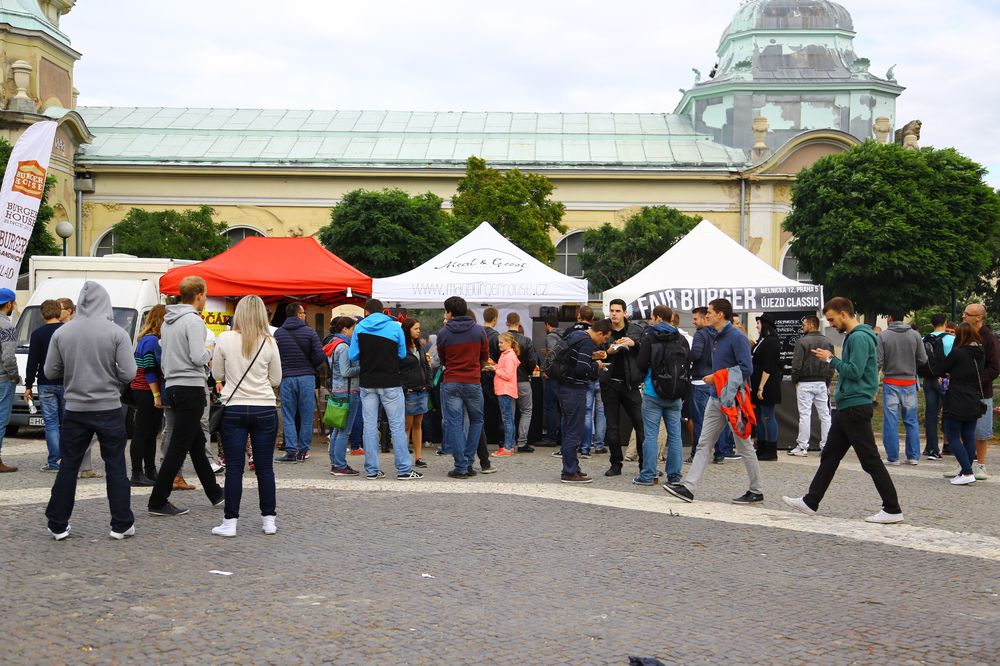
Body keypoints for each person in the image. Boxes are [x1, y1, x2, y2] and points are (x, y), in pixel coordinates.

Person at [782, 297, 904, 524]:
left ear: (844, 313)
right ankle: (811, 501)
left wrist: (831, 360)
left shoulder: (858, 338)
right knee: (830, 455)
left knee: (870, 460)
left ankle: (892, 508)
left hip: (855, 405)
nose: (830, 325)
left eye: (831, 319)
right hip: (849, 404)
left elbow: (855, 371)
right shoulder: (858, 336)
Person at [43, 281, 138, 540]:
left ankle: (57, 523)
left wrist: (72, 373)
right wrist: (112, 376)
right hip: (108, 407)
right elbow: (129, 373)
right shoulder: (116, 332)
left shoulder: (62, 333)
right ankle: (121, 524)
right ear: (105, 302)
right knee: (116, 465)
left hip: (75, 408)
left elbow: (50, 371)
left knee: (69, 466)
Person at [663, 298, 763, 505]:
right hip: (716, 398)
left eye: (709, 312)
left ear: (720, 314)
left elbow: (747, 369)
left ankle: (756, 490)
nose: (706, 315)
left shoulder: (736, 337)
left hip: (733, 400)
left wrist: (716, 376)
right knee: (704, 444)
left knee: (743, 446)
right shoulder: (716, 336)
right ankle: (689, 488)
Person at [148, 276, 225, 516]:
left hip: (173, 384)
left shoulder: (169, 320)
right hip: (190, 386)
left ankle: (215, 492)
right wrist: (209, 354)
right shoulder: (192, 321)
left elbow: (165, 353)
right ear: (200, 294)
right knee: (180, 446)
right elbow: (196, 355)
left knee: (195, 443)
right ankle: (158, 500)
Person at [211, 295, 282, 537]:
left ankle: (230, 522)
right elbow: (276, 379)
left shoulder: (225, 338)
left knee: (233, 468)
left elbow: (217, 373)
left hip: (234, 407)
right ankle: (268, 520)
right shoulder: (269, 342)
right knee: (265, 468)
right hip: (264, 406)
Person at [349, 298, 422, 480]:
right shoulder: (395, 327)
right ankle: (404, 470)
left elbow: (353, 355)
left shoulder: (359, 328)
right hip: (390, 381)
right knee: (397, 426)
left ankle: (372, 470)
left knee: (370, 426)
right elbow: (402, 354)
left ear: (366, 312)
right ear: (383, 311)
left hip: (367, 382)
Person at [635, 305, 688, 486]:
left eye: (652, 317)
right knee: (675, 436)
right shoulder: (681, 339)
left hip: (653, 391)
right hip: (675, 394)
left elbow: (641, 364)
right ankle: (674, 476)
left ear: (658, 318)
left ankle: (648, 476)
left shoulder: (650, 337)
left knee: (651, 435)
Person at [437, 296, 489, 479]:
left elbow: (442, 359)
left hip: (451, 381)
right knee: (477, 421)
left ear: (450, 312)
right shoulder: (479, 331)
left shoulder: (443, 333)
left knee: (454, 423)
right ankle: (468, 462)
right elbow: (485, 356)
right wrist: (475, 368)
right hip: (473, 381)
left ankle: (460, 466)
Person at [557, 318, 612, 483]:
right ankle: (569, 471)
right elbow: (582, 369)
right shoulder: (587, 342)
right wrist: (597, 366)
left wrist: (592, 357)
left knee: (569, 429)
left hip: (564, 386)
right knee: (574, 430)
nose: (604, 342)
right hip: (574, 388)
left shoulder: (576, 335)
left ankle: (573, 467)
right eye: (605, 338)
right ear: (600, 333)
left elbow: (576, 361)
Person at [274, 302, 325, 462]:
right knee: (306, 414)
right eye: (303, 313)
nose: (304, 315)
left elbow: (275, 357)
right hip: (306, 377)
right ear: (297, 314)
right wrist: (311, 364)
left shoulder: (278, 334)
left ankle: (290, 450)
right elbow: (320, 355)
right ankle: (303, 450)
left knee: (288, 414)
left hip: (287, 377)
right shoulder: (310, 332)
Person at [935, 323, 986, 485]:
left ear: (960, 336)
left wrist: (950, 372)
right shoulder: (980, 353)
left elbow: (941, 368)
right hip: (974, 397)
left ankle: (967, 472)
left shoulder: (958, 353)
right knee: (969, 436)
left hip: (957, 397)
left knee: (953, 436)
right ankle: (966, 470)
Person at [600, 299, 645, 477]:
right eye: (612, 310)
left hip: (631, 384)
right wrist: (608, 351)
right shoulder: (604, 329)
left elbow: (645, 352)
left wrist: (634, 345)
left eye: (618, 310)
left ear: (625, 313)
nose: (614, 314)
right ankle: (615, 463)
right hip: (609, 384)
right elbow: (597, 350)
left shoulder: (635, 330)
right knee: (613, 427)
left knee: (640, 425)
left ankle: (645, 465)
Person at [877, 308, 927, 465]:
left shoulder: (884, 336)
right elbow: (923, 359)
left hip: (891, 382)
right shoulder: (915, 335)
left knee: (891, 420)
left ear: (890, 318)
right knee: (911, 420)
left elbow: (878, 361)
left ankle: (893, 457)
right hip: (910, 382)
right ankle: (913, 456)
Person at [687, 306, 736, 465]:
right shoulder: (719, 334)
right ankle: (720, 454)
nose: (693, 322)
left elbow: (695, 353)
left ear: (704, 318)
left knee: (701, 421)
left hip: (701, 381)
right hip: (717, 382)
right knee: (719, 421)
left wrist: (686, 358)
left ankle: (697, 454)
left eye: (695, 319)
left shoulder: (701, 334)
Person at [959, 303, 999, 480]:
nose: (963, 316)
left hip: (982, 392)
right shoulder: (963, 335)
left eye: (967, 314)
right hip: (961, 390)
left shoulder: (989, 338)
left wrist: (976, 379)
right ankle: (963, 465)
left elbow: (995, 367)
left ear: (978, 317)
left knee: (981, 432)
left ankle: (981, 465)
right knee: (960, 429)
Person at [24, 299, 64, 472]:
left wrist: (28, 385)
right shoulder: (67, 331)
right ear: (59, 312)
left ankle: (54, 462)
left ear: (42, 314)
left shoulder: (37, 334)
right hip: (67, 382)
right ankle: (68, 460)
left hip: (45, 383)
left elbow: (32, 362)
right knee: (67, 422)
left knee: (51, 424)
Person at [128, 305, 166, 486]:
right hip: (146, 391)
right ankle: (137, 473)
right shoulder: (151, 341)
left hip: (144, 389)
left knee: (151, 433)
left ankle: (150, 471)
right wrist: (157, 395)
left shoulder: (146, 339)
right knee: (142, 433)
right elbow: (149, 369)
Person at [788, 314, 834, 456]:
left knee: (805, 415)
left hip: (804, 382)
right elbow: (831, 364)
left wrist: (795, 380)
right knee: (825, 415)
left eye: (804, 325)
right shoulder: (828, 342)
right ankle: (826, 446)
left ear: (810, 325)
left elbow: (796, 365)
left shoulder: (802, 342)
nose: (803, 327)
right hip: (821, 381)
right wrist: (827, 381)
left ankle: (802, 447)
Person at [327, 316, 361, 475]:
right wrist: (362, 368)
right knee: (344, 430)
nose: (354, 332)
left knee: (337, 428)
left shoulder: (333, 345)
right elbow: (346, 371)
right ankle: (340, 465)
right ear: (345, 329)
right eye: (353, 329)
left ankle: (335, 462)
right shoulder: (344, 347)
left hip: (337, 390)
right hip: (348, 392)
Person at [919, 314, 954, 460]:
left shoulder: (924, 339)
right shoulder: (951, 339)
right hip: (946, 379)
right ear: (945, 323)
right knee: (950, 412)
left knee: (931, 414)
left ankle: (931, 448)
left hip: (928, 378)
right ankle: (950, 444)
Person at [400, 317, 432, 468]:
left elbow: (425, 366)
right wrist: (404, 387)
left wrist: (428, 384)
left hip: (421, 390)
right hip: (410, 391)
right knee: (407, 425)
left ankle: (418, 457)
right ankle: (404, 457)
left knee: (418, 424)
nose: (419, 331)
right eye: (416, 328)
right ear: (408, 330)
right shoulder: (401, 347)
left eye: (419, 328)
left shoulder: (420, 346)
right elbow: (397, 369)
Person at [750, 313, 782, 461]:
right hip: (757, 383)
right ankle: (761, 447)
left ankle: (771, 449)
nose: (757, 325)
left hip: (767, 385)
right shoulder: (762, 341)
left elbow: (768, 367)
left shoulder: (772, 342)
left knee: (768, 416)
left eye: (759, 323)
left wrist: (761, 387)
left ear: (765, 325)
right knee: (759, 416)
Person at [504, 312, 537, 453]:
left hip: (507, 381)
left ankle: (509, 442)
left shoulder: (502, 340)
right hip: (523, 380)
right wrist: (529, 372)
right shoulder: (526, 341)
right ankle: (522, 443)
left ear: (506, 323)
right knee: (526, 411)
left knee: (508, 413)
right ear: (519, 323)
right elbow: (532, 361)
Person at [0, 288, 19, 473]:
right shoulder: (6, 326)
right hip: (2, 379)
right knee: (0, 419)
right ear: (9, 304)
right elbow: (8, 357)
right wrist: (14, 375)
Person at [493, 332, 520, 455]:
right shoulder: (507, 355)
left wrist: (496, 369)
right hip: (505, 390)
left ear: (508, 343)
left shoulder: (509, 356)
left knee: (507, 419)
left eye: (501, 342)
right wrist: (496, 366)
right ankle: (511, 445)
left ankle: (507, 447)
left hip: (505, 390)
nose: (499, 344)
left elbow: (508, 375)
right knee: (509, 419)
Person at [540, 314, 563, 447]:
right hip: (562, 376)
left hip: (553, 376)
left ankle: (551, 437)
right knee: (561, 408)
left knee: (550, 407)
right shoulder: (564, 335)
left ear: (548, 325)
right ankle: (561, 435)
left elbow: (553, 356)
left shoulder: (550, 336)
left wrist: (545, 370)